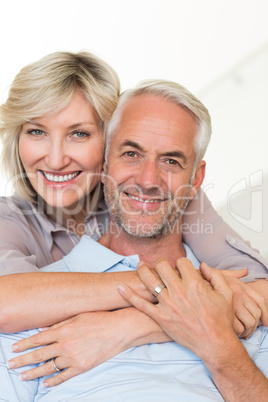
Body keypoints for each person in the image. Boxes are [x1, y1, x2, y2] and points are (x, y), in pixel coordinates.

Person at [0, 52, 267, 386]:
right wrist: (184, 292)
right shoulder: (9, 218)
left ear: (109, 141)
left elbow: (259, 290)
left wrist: (129, 327)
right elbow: (7, 306)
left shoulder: (165, 194)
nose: (55, 159)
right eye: (36, 131)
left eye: (79, 134)